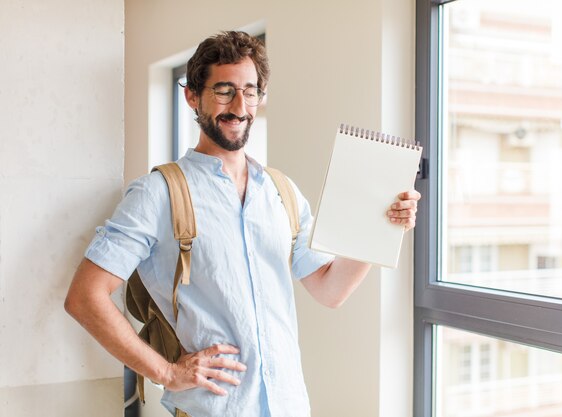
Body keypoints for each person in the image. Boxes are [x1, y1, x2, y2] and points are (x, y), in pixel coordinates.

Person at [65, 31, 420, 417]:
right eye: (223, 90)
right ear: (192, 96)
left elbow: (330, 290)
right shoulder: (157, 194)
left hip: (289, 407)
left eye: (250, 91)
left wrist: (380, 225)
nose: (239, 105)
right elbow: (85, 297)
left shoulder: (281, 192)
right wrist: (166, 372)